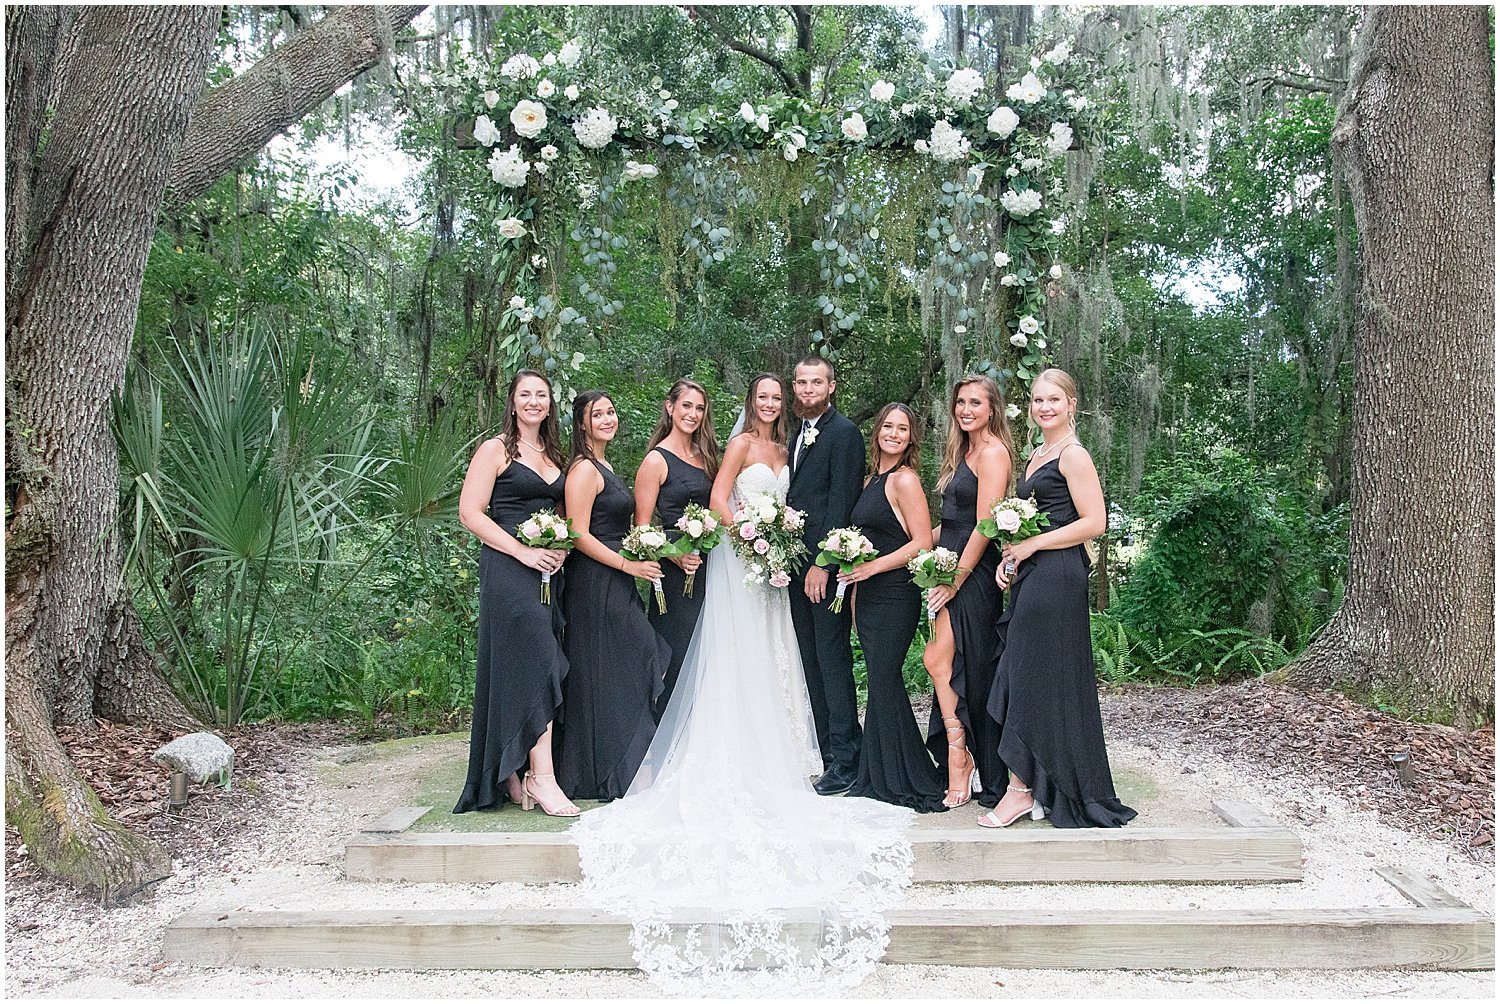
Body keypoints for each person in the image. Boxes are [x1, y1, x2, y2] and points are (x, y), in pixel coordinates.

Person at [571, 373, 913, 992]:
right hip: (743, 561)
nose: (772, 404)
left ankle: (784, 746)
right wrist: (753, 539)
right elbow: (723, 500)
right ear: (749, 404)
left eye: (779, 397)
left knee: (778, 655)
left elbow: (802, 506)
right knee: (736, 655)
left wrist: (780, 546)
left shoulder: (791, 451)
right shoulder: (735, 447)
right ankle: (730, 747)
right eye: (765, 397)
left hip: (776, 571)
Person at [983, 369, 1137, 828]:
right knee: (1029, 673)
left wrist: (1032, 546)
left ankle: (1019, 789)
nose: (1044, 407)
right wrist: (1013, 555)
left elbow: (1095, 522)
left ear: (1071, 404)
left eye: (1054, 399)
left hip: (1059, 574)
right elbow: (1035, 520)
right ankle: (1037, 784)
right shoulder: (1036, 453)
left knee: (1025, 674)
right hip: (1035, 571)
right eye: (1037, 400)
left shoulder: (1074, 456)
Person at [453, 369, 573, 816]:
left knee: (529, 664)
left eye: (542, 394)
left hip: (548, 571)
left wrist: (558, 547)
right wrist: (523, 553)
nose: (534, 401)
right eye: (526, 394)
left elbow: (561, 511)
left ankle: (513, 769)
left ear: (550, 403)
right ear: (512, 401)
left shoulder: (555, 452)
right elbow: (470, 512)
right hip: (508, 569)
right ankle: (543, 778)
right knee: (539, 660)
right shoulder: (496, 449)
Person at [554, 390, 670, 804]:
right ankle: (621, 768)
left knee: (623, 667)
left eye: (610, 411)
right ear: (581, 423)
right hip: (595, 582)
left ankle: (629, 765)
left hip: (616, 577)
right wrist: (627, 566)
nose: (607, 419)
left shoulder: (605, 464)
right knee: (633, 657)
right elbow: (578, 532)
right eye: (597, 414)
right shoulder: (584, 469)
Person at [840, 403, 948, 812]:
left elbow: (922, 541)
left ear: (910, 438)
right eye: (888, 426)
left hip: (894, 594)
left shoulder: (905, 481)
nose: (894, 433)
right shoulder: (871, 479)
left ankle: (903, 776)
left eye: (903, 428)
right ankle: (883, 770)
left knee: (884, 679)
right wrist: (855, 588)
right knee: (882, 683)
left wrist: (872, 569)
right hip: (865, 596)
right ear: (878, 432)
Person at [923, 375, 1014, 810]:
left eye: (975, 402)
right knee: (940, 660)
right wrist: (916, 547)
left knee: (967, 669)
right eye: (960, 402)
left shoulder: (993, 453)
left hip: (971, 575)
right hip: (947, 566)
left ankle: (975, 765)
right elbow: (953, 523)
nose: (966, 410)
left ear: (991, 409)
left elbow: (985, 525)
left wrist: (955, 579)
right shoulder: (965, 451)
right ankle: (960, 756)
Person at [785, 356, 866, 795]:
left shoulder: (845, 433)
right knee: (810, 660)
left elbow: (841, 503)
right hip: (792, 566)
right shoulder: (795, 433)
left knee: (832, 660)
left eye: (817, 382)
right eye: (801, 382)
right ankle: (826, 754)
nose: (808, 389)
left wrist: (823, 562)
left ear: (832, 386)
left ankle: (846, 759)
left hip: (824, 566)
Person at [633, 379, 719, 720]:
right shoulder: (656, 460)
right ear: (670, 407)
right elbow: (640, 527)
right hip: (675, 573)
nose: (693, 414)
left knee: (707, 651)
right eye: (686, 406)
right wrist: (676, 554)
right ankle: (663, 732)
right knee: (676, 652)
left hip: (710, 564)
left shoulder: (706, 456)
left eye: (699, 408)